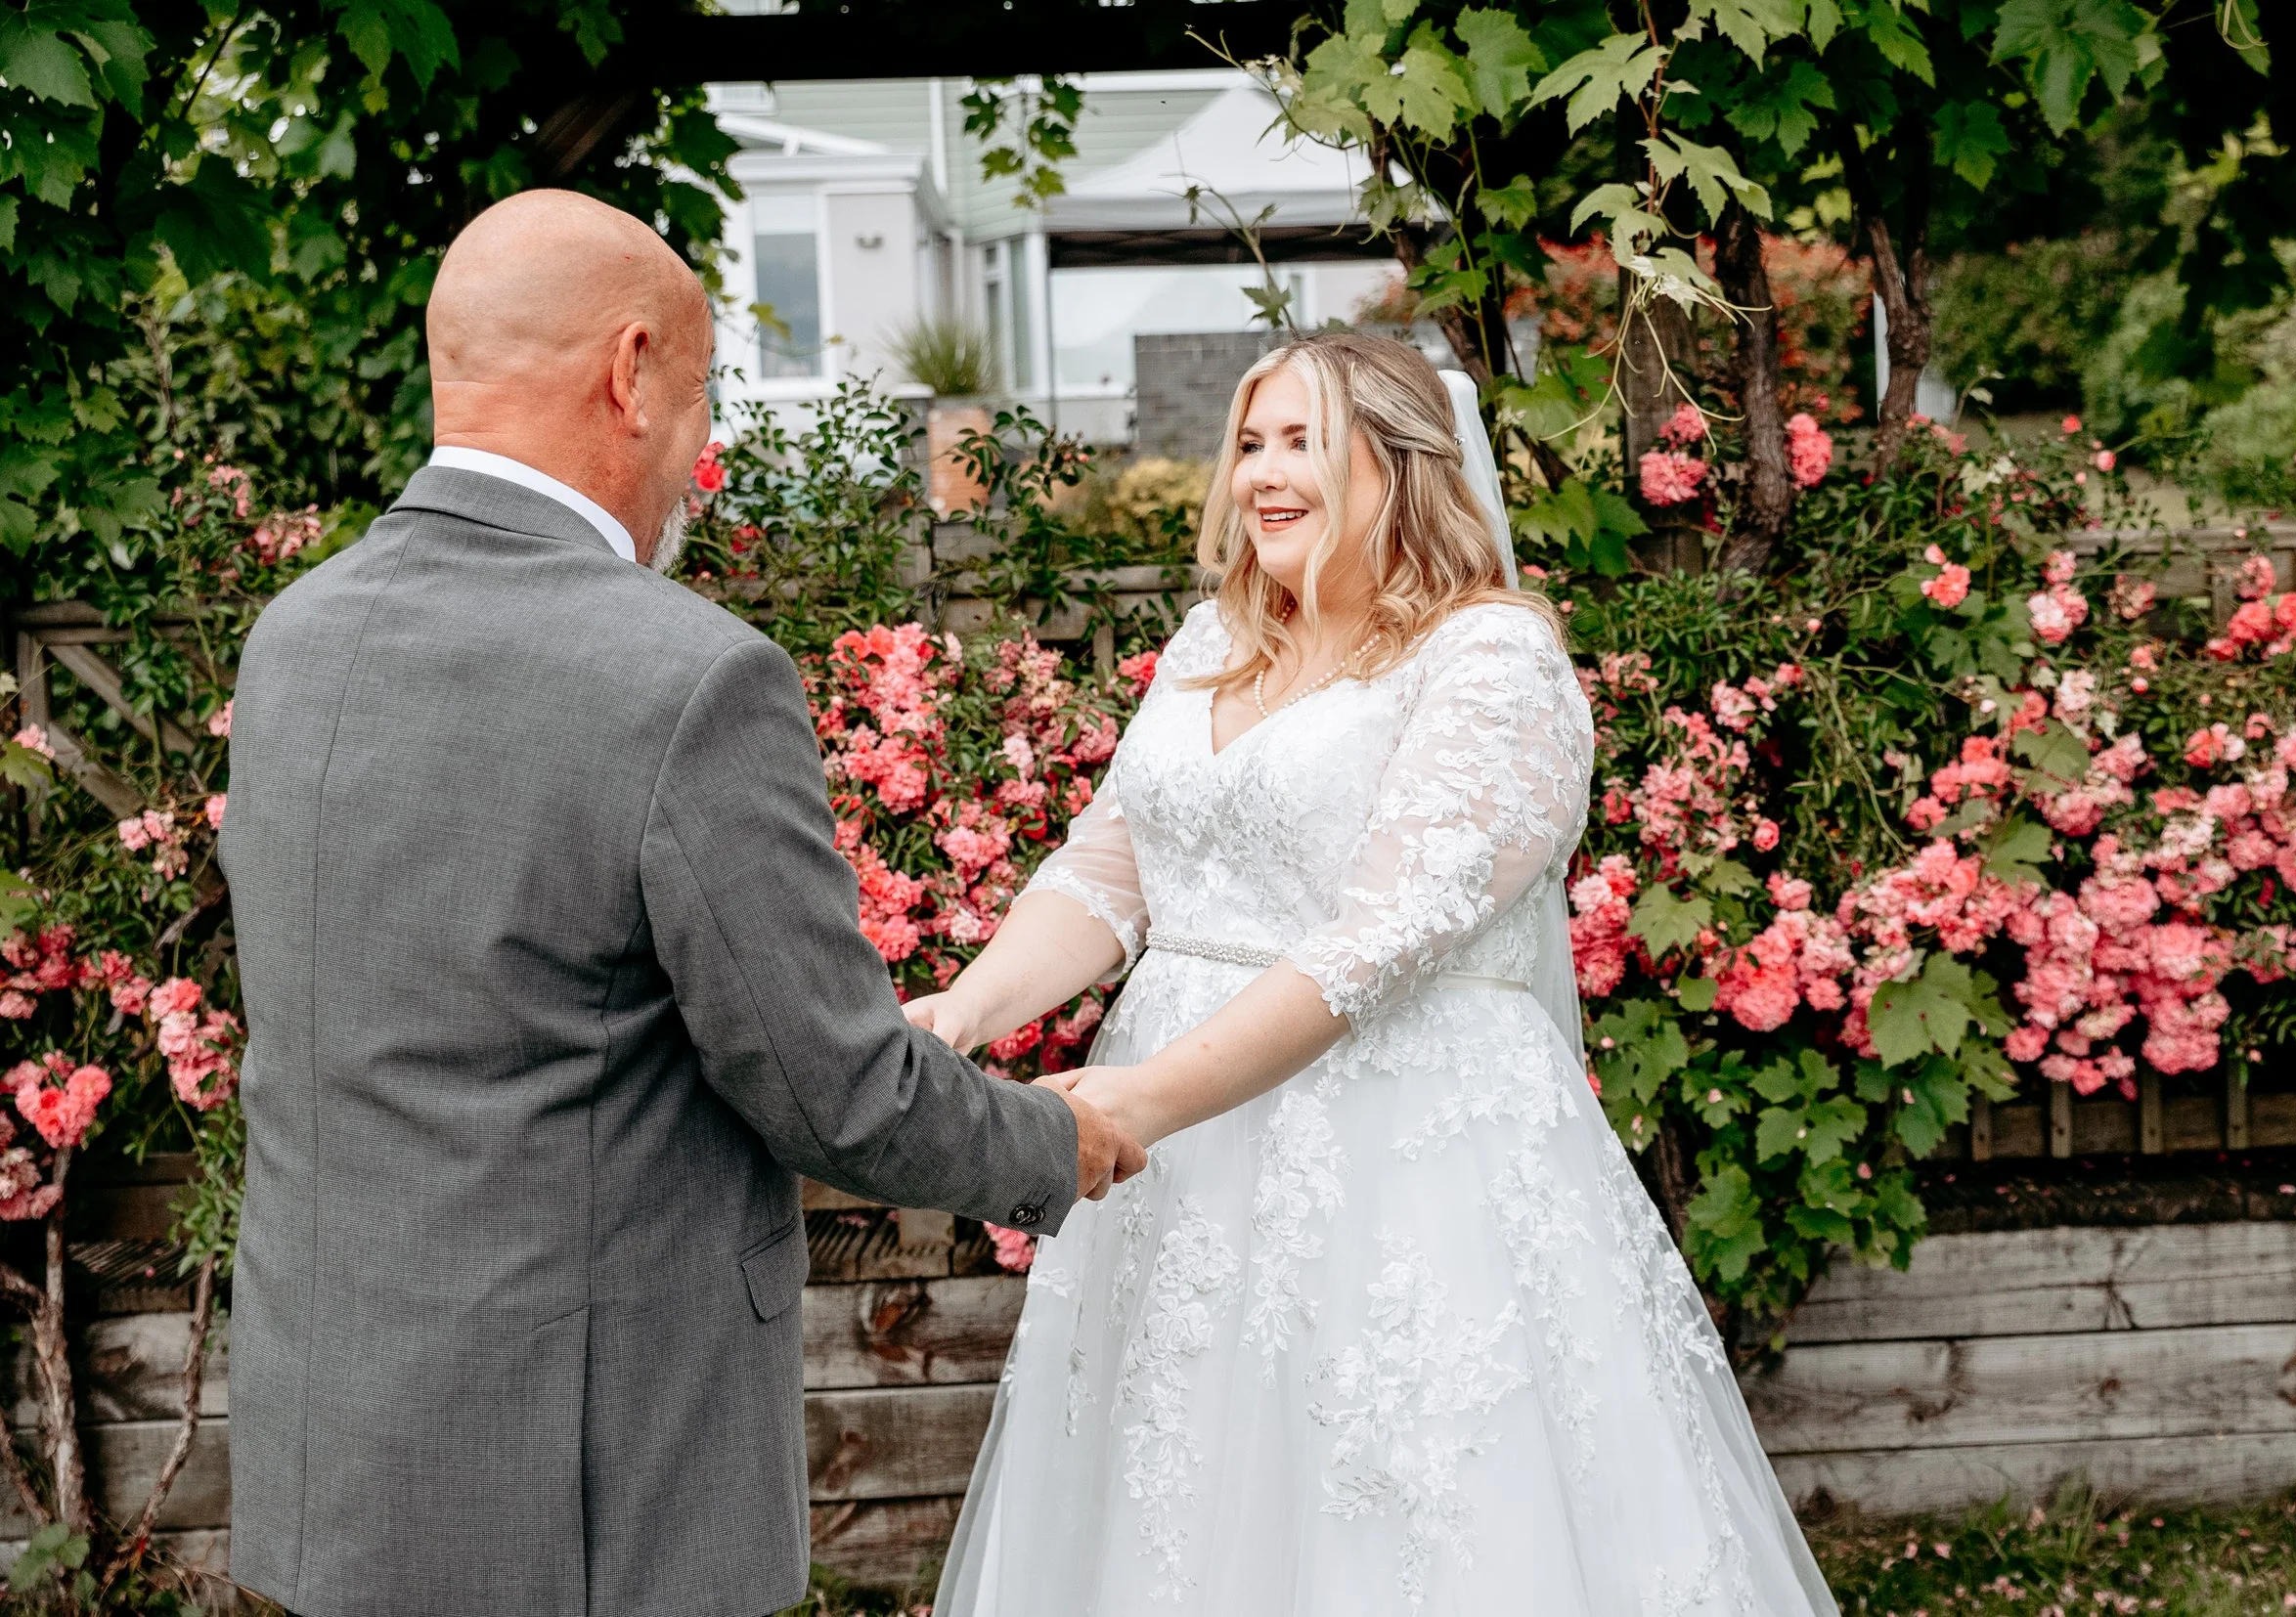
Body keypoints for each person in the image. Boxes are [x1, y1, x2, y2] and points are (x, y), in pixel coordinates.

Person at [216, 189, 1143, 1617]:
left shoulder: (293, 640)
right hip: (585, 1481)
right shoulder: (687, 676)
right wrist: (1053, 1140)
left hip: (332, 1446)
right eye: (706, 395)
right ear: (630, 369)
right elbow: (833, 1086)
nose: (701, 450)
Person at [919, 330, 1838, 1614]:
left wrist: (1133, 1102)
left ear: (1401, 465)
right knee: (1175, 1500)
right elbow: (1107, 875)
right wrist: (956, 1014)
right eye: (1251, 441)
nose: (1263, 474)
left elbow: (1375, 941)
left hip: (1395, 1161)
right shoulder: (1210, 641)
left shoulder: (1491, 660)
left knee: (1401, 1513)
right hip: (1179, 1177)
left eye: (1304, 441)